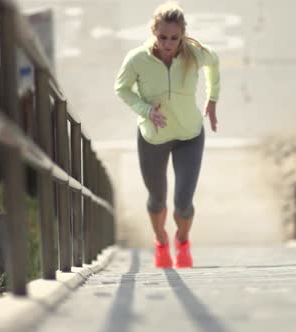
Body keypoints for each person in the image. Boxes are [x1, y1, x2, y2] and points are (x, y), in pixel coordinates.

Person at [114, 1, 220, 268]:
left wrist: (213, 99)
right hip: (153, 138)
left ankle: (182, 241)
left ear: (182, 33)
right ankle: (161, 241)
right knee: (157, 200)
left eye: (174, 37)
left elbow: (214, 63)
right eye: (163, 37)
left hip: (189, 136)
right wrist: (145, 110)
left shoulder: (194, 54)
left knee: (183, 203)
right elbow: (122, 89)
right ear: (153, 31)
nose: (168, 43)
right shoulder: (137, 58)